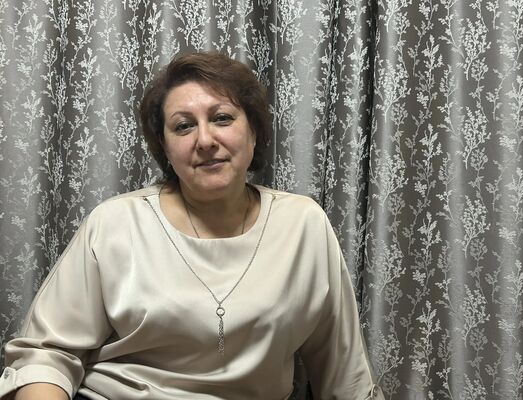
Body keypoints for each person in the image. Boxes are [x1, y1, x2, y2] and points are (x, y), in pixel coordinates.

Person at [0, 52, 383, 400]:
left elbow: (344, 376)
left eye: (222, 118)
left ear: (253, 131)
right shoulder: (116, 223)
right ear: (165, 148)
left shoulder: (302, 224)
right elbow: (46, 355)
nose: (205, 140)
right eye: (183, 126)